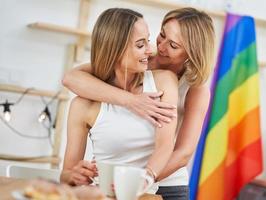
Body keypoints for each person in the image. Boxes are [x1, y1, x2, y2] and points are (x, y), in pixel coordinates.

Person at [63, 7, 215, 200]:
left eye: (174, 45)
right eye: (161, 35)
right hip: (119, 184)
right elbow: (72, 78)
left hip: (167, 183)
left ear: (191, 53)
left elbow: (183, 153)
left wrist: (139, 180)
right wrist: (131, 101)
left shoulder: (194, 88)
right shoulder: (140, 58)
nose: (159, 47)